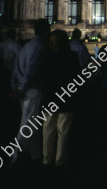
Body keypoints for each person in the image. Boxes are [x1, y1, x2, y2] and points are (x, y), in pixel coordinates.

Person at [10, 19, 51, 164]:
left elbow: (16, 67)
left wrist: (15, 86)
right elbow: (31, 70)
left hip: (24, 89)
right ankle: (15, 155)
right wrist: (21, 87)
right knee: (28, 124)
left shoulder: (26, 46)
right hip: (32, 89)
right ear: (47, 30)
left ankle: (35, 154)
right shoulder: (40, 46)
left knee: (32, 123)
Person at [42, 30, 79, 167]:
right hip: (66, 97)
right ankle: (60, 160)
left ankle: (46, 159)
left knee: (47, 129)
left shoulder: (45, 56)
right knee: (63, 130)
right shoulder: (72, 56)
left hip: (50, 97)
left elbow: (42, 78)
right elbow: (76, 78)